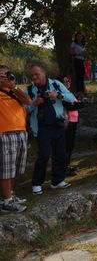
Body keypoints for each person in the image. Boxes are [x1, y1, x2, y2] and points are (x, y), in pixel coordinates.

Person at [26, 64, 75, 195]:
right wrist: (34, 104)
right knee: (43, 155)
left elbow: (71, 97)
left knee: (60, 154)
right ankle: (37, 183)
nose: (34, 77)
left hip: (57, 124)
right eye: (32, 75)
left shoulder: (56, 84)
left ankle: (57, 181)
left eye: (37, 74)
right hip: (42, 127)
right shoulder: (30, 90)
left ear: (44, 73)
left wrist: (57, 95)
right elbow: (24, 109)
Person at [0, 65, 31, 212]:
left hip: (21, 132)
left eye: (6, 75)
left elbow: (28, 101)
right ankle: (6, 201)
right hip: (4, 133)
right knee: (6, 169)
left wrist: (13, 86)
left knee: (15, 168)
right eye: (0, 76)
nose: (3, 78)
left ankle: (9, 195)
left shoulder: (15, 91)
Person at [57, 75, 85, 176]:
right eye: (65, 81)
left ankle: (67, 165)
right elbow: (71, 106)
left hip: (73, 121)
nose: (68, 82)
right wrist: (80, 104)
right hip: (67, 123)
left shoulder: (69, 93)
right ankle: (64, 168)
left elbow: (76, 104)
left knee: (70, 146)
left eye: (69, 81)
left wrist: (78, 104)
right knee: (67, 146)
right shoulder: (61, 94)